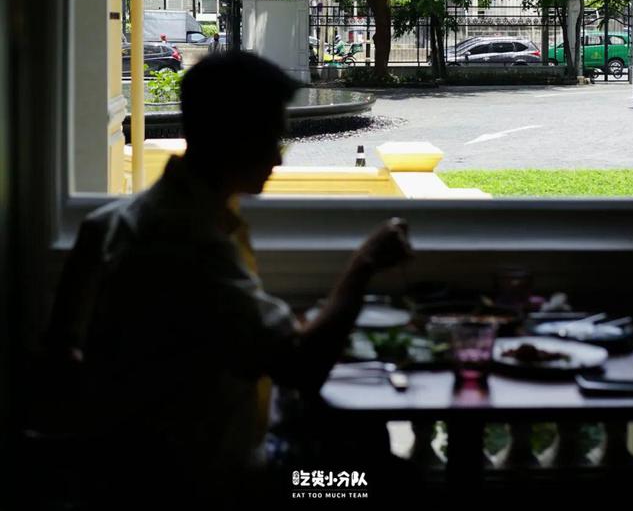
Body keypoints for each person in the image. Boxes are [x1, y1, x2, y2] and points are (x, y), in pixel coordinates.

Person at [46, 52, 413, 509]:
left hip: (133, 468)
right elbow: (301, 366)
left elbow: (63, 357)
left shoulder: (115, 222)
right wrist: (365, 262)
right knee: (379, 482)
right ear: (233, 136)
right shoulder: (194, 243)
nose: (279, 156)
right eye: (270, 137)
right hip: (226, 481)